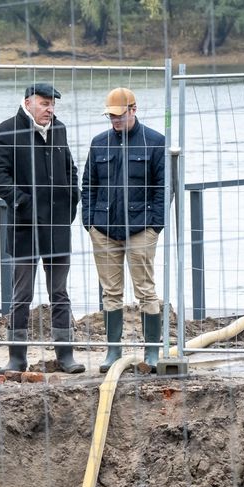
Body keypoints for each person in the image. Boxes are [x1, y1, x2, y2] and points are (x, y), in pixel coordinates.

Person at [0, 82, 83, 375]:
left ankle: (65, 355)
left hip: (57, 227)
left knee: (60, 293)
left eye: (53, 103)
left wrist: (72, 200)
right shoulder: (4, 131)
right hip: (24, 226)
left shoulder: (59, 129)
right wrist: (23, 202)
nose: (50, 109)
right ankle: (17, 358)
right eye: (44, 103)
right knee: (21, 295)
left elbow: (70, 167)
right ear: (28, 102)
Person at [82, 87, 167, 372]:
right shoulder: (99, 143)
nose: (115, 121)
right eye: (111, 117)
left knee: (145, 289)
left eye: (119, 116)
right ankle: (113, 351)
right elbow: (89, 185)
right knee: (111, 291)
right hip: (104, 228)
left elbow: (163, 188)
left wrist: (155, 225)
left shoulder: (155, 142)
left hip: (141, 227)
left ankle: (152, 352)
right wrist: (89, 221)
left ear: (134, 109)